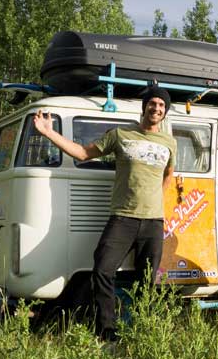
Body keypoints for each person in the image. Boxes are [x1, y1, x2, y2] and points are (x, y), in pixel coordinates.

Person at [33, 86, 177, 339]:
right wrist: (49, 132)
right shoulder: (120, 134)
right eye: (152, 103)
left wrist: (155, 200)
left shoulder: (169, 142)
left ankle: (142, 330)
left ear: (165, 112)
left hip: (153, 221)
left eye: (161, 106)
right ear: (144, 107)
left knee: (146, 280)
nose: (156, 108)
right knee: (102, 269)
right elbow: (83, 153)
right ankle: (107, 330)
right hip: (123, 217)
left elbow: (168, 175)